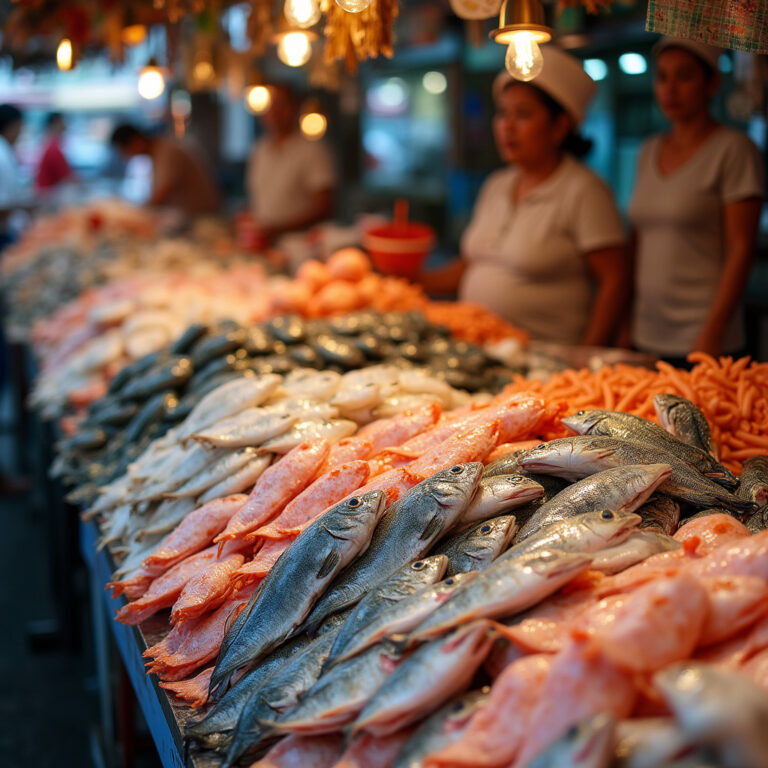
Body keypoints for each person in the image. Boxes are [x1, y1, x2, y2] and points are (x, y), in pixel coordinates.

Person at [421, 46, 628, 346]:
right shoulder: (497, 185)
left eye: (523, 114)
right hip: (476, 345)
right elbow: (473, 263)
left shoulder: (584, 191)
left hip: (546, 356)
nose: (507, 126)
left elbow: (615, 280)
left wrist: (586, 354)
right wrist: (414, 279)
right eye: (503, 113)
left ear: (559, 127)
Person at [629, 37, 764, 361]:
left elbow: (742, 247)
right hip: (646, 333)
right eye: (662, 77)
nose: (670, 88)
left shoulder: (733, 149)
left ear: (712, 82)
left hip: (703, 338)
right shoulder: (648, 151)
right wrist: (625, 322)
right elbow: (636, 241)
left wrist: (713, 331)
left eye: (684, 76)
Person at [246, 84, 336, 244]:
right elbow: (257, 201)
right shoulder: (259, 150)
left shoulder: (312, 150)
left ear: (295, 108)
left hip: (300, 245)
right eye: (270, 105)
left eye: (281, 104)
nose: (275, 111)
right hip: (262, 244)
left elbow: (325, 208)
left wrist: (277, 229)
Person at [110, 123, 220, 216]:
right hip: (190, 216)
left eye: (124, 151)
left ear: (136, 141)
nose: (125, 156)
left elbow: (162, 194)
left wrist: (135, 213)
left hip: (202, 218)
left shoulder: (166, 152)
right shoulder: (157, 151)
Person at [35, 112, 72, 192]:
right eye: (63, 120)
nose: (65, 125)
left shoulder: (49, 144)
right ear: (56, 122)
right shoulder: (53, 148)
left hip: (46, 192)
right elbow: (66, 177)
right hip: (47, 195)